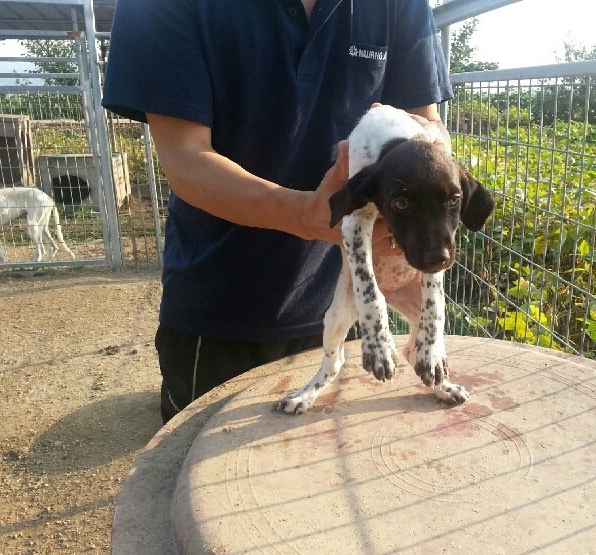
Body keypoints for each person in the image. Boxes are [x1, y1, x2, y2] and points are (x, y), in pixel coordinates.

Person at [102, 0, 454, 423]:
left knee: (325, 456)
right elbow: (184, 157)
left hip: (343, 303)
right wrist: (307, 214)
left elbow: (425, 130)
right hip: (222, 308)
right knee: (196, 458)